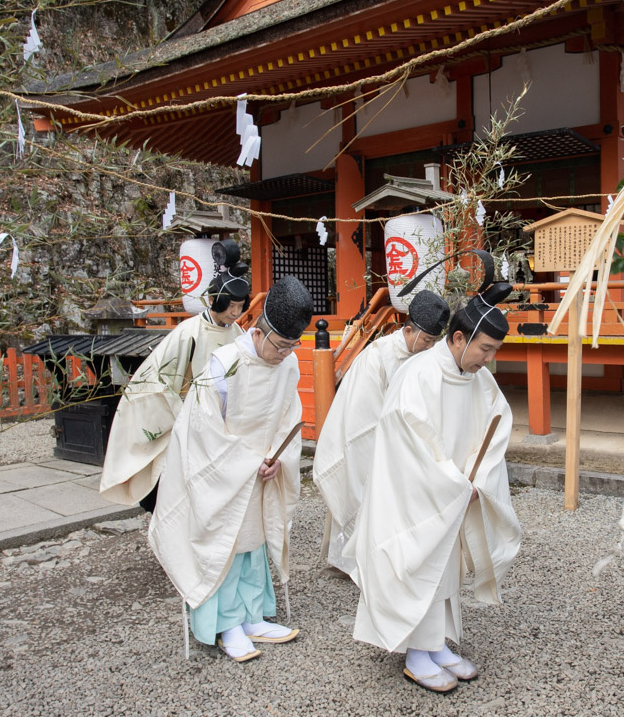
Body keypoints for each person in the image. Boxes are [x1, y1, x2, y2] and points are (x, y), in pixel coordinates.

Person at [350, 257, 521, 692]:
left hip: (456, 491)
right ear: (459, 338)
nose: (488, 359)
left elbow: (496, 427)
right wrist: (451, 483)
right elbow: (408, 444)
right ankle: (416, 653)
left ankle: (437, 644)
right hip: (417, 497)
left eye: (494, 351)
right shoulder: (417, 375)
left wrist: (479, 480)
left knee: (444, 565)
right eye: (484, 349)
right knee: (419, 559)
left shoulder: (480, 380)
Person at [149, 275, 312, 663]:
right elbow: (203, 430)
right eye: (281, 344)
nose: (287, 353)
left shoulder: (287, 367)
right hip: (223, 468)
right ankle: (225, 623)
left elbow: (289, 415)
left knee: (254, 539)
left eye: (294, 345)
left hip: (261, 468)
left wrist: (277, 455)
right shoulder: (225, 365)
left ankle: (252, 615)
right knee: (225, 540)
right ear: (259, 332)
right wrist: (246, 462)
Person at [100, 240, 250, 510]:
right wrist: (185, 417)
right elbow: (159, 380)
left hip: (221, 422)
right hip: (187, 417)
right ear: (216, 300)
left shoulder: (237, 334)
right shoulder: (188, 333)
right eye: (231, 306)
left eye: (240, 307)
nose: (236, 313)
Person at [314, 288, 451, 578]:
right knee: (364, 492)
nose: (429, 347)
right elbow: (361, 419)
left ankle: (386, 561)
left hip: (401, 442)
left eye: (434, 341)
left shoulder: (423, 356)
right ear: (409, 330)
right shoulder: (378, 357)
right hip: (370, 441)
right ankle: (351, 562)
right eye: (426, 340)